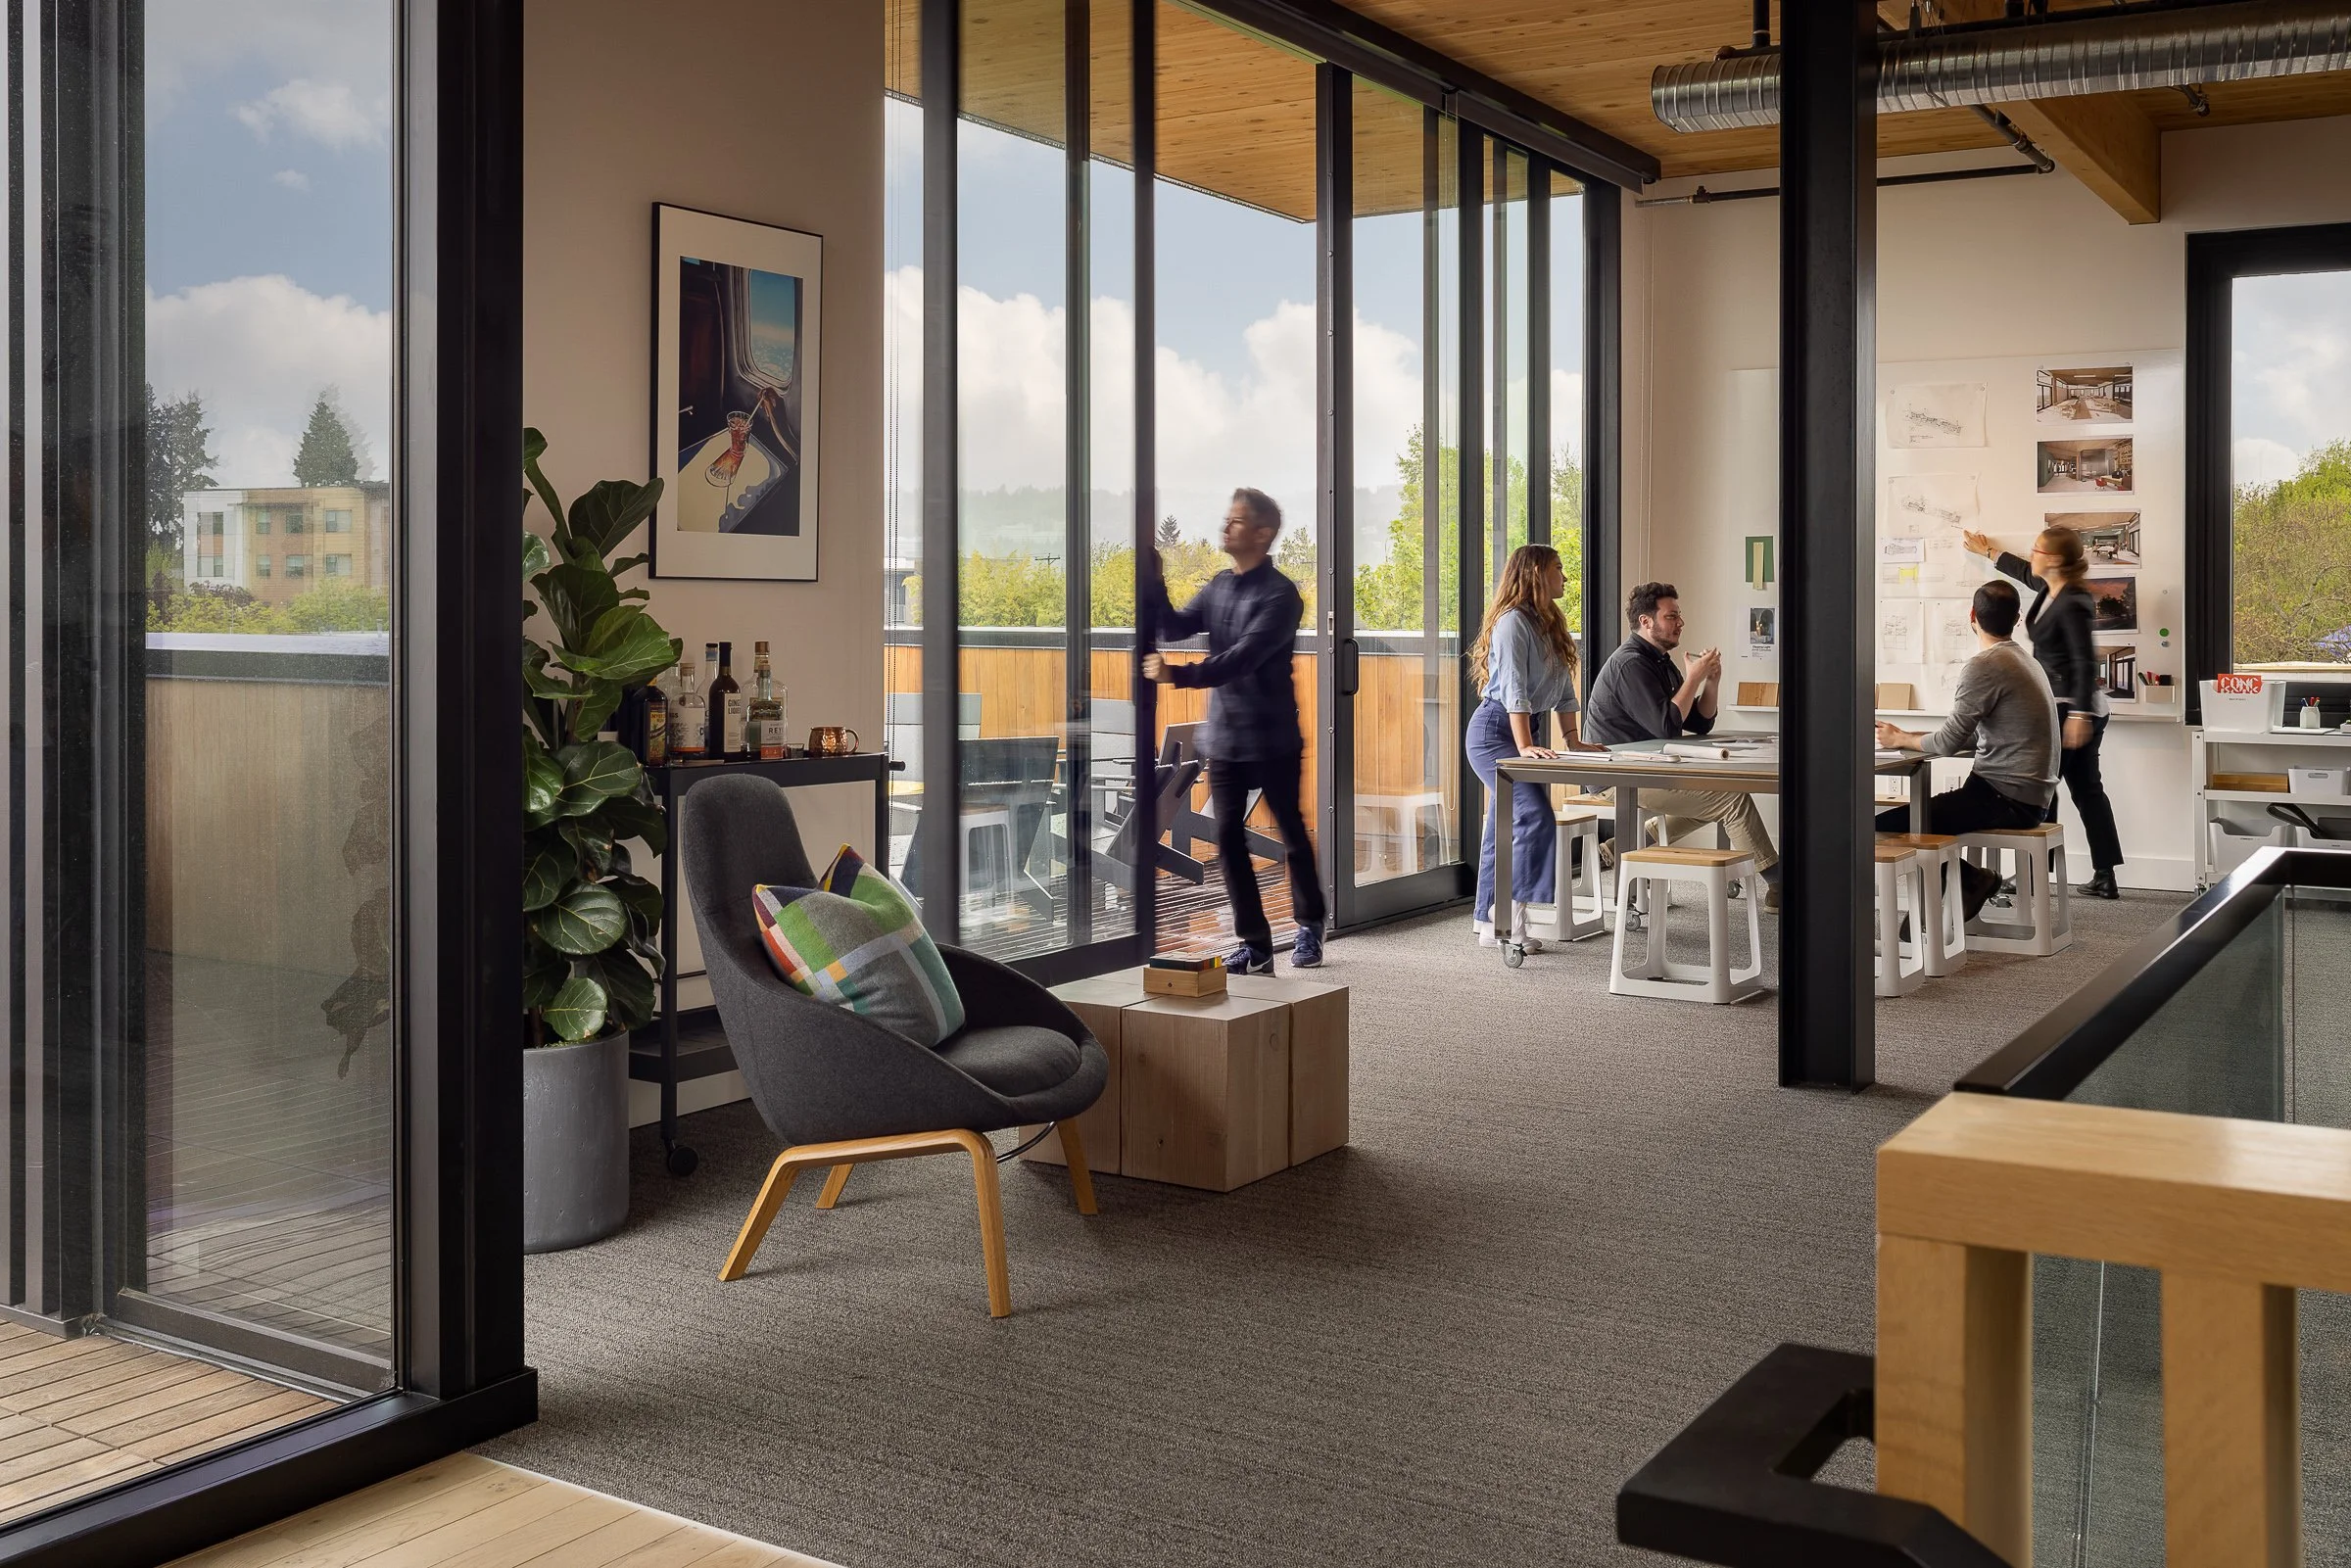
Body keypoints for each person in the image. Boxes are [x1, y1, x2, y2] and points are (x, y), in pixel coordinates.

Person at [1142, 488, 1325, 974]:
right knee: (1227, 840)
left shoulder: (1282, 596)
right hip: (1225, 740)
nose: (1226, 527)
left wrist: (1176, 675)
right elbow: (1172, 626)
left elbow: (1240, 660)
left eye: (1236, 521)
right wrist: (1154, 578)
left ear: (1262, 534)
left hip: (1274, 738)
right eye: (1227, 519)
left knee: (1291, 834)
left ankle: (1309, 928)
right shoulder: (1219, 585)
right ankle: (1256, 945)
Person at [1583, 581, 1783, 911]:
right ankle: (1778, 884)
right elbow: (1667, 725)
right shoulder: (1631, 663)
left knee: (1721, 791)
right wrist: (1693, 678)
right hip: (1619, 774)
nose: (1680, 623)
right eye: (1671, 616)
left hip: (1649, 768)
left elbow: (1698, 722)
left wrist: (1711, 681)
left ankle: (1624, 846)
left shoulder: (1660, 660)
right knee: (1730, 799)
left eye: (1679, 615)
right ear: (1646, 622)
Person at [1875, 579, 2061, 922]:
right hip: (2035, 797)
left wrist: (1902, 741)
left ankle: (1969, 880)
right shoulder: (2024, 661)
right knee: (1917, 819)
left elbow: (1946, 743)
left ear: (1972, 615)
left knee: (1880, 827)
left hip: (2003, 798)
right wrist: (1911, 735)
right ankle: (1962, 885)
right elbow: (1975, 736)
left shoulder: (1984, 665)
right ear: (2017, 619)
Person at [1964, 523, 2124, 898]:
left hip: (2074, 710)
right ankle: (2101, 874)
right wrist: (1989, 553)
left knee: (2046, 788)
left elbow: (2086, 662)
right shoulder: (2052, 590)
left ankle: (2038, 875)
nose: (2031, 554)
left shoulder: (2074, 602)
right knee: (2082, 790)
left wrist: (2081, 716)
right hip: (2061, 708)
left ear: (2053, 560)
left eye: (2036, 549)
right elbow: (2025, 573)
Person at [1465, 545, 1606, 951]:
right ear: (1536, 574)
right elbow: (1513, 688)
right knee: (1535, 816)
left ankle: (1486, 919)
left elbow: (1563, 690)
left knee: (1502, 824)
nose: (1565, 576)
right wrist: (1525, 745)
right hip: (1495, 732)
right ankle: (1509, 918)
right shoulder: (1512, 624)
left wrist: (1573, 740)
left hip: (1523, 730)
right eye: (1558, 568)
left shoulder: (1551, 622)